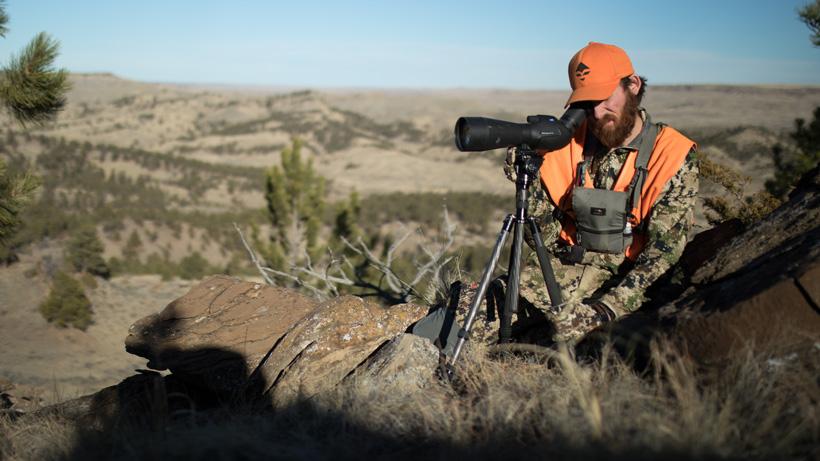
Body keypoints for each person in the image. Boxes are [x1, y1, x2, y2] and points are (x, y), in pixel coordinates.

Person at [414, 42, 698, 350]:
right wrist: (529, 175)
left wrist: (605, 310)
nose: (598, 112)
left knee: (602, 353)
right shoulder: (566, 144)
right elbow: (544, 237)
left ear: (633, 85)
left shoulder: (672, 154)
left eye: (605, 98)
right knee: (448, 323)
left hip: (628, 289)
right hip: (559, 279)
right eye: (587, 103)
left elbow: (663, 257)